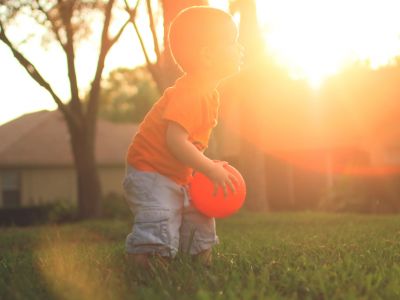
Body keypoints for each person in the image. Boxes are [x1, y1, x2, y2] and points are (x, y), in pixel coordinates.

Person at [123, 6, 244, 268]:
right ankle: (146, 267)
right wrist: (209, 167)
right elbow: (174, 142)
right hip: (151, 170)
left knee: (199, 214)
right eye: (233, 42)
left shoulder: (208, 93)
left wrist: (202, 167)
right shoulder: (190, 93)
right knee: (161, 219)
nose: (240, 48)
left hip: (176, 171)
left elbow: (187, 144)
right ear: (208, 55)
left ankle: (200, 265)